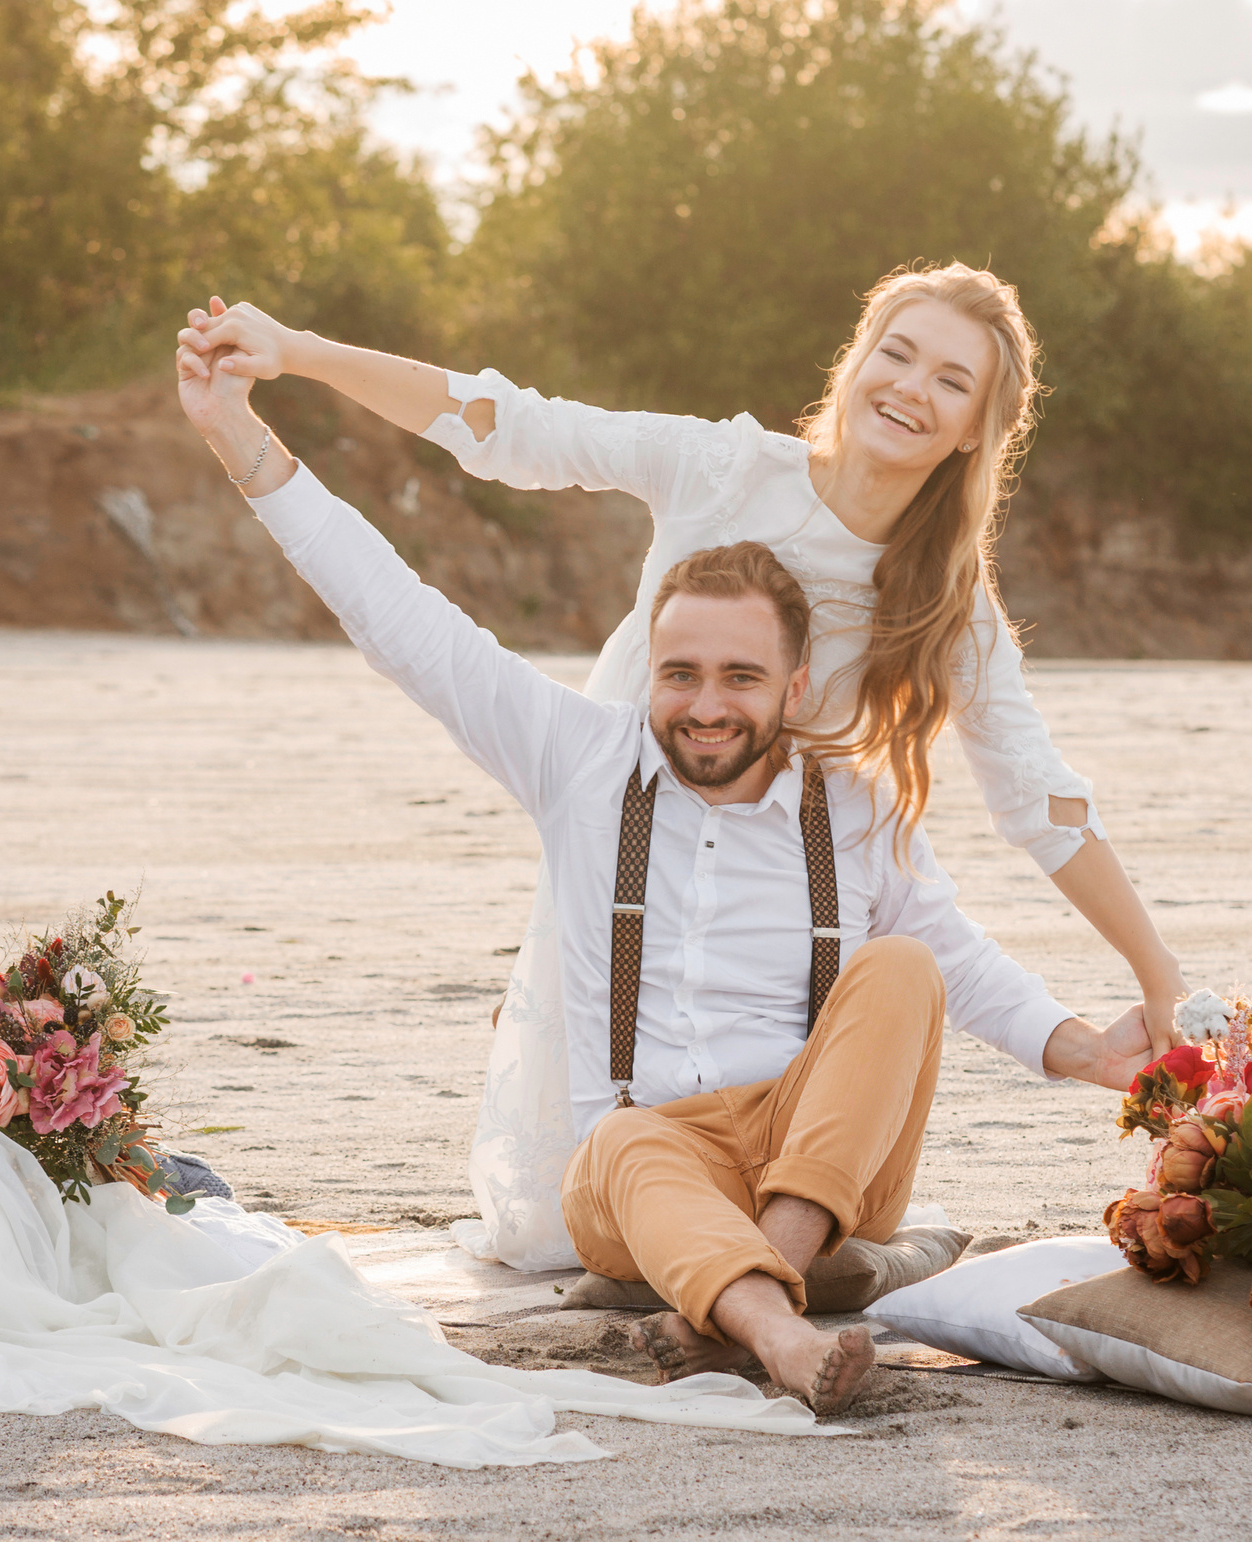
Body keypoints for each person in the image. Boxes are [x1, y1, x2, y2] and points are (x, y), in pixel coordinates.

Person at [176, 319, 1152, 1415]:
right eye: (679, 671)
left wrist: (1094, 1052)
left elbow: (964, 969)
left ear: (795, 689)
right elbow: (396, 612)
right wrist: (239, 438)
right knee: (628, 1140)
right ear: (647, 667)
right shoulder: (581, 762)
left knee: (902, 966)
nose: (705, 703)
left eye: (741, 675)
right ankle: (782, 1326)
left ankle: (752, 1289)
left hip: (813, 1158)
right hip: (644, 1169)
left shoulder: (854, 806)